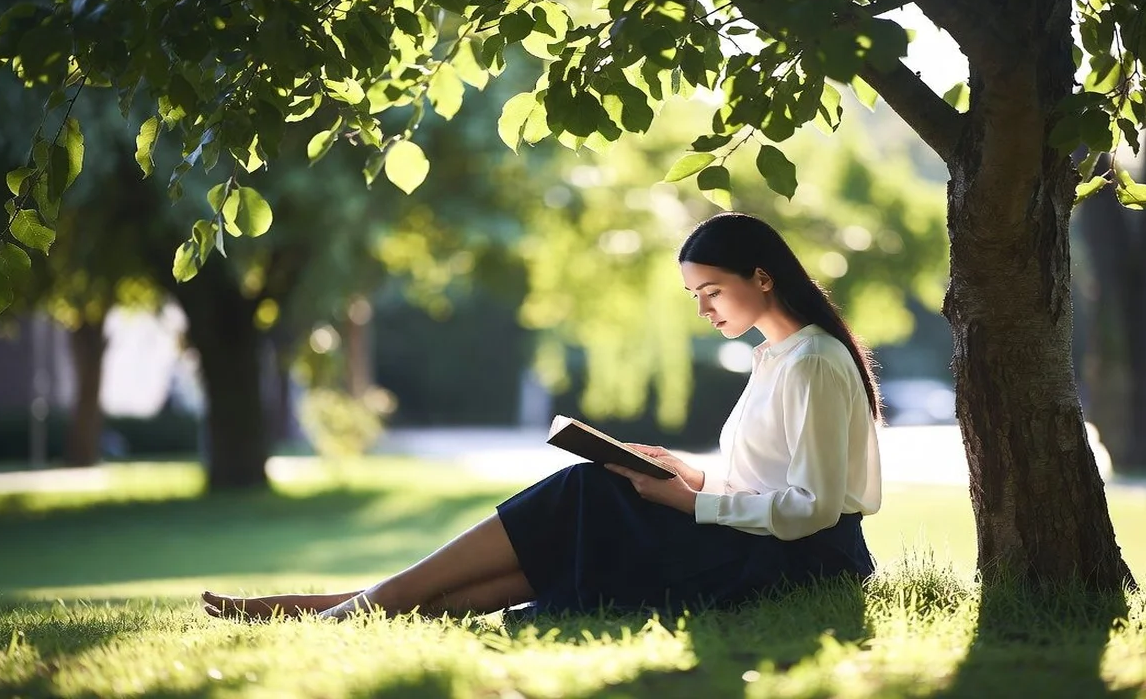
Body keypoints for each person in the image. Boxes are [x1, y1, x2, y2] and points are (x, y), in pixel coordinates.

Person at [202, 212, 883, 621]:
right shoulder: (777, 359)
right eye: (693, 294)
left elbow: (816, 508)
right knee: (580, 521)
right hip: (760, 542)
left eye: (711, 290)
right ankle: (352, 607)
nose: (703, 308)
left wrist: (689, 503)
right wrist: (693, 479)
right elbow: (767, 481)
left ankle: (353, 607)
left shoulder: (814, 361)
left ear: (762, 277)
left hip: (799, 562)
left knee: (588, 493)